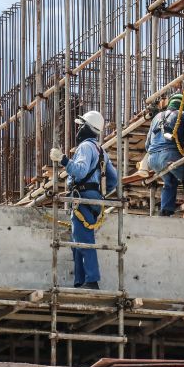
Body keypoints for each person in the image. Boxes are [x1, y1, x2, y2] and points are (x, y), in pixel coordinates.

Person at [50, 111, 117, 290]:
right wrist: (99, 193)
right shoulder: (101, 150)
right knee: (76, 241)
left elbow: (79, 171)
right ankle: (80, 281)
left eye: (81, 125)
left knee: (83, 240)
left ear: (87, 127)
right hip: (92, 199)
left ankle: (92, 280)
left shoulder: (86, 147)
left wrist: (63, 159)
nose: (79, 129)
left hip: (83, 197)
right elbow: (114, 180)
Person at [145, 93, 184, 217]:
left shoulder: (156, 117)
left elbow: (147, 145)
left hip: (152, 159)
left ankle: (165, 210)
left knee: (170, 180)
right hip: (169, 155)